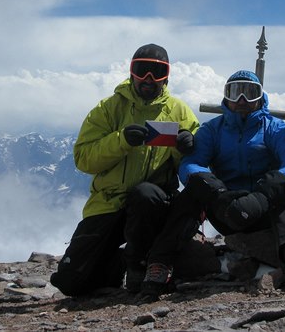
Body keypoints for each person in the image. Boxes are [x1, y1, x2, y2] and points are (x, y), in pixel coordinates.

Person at [140, 70, 285, 300]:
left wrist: (262, 197)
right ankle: (161, 262)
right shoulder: (212, 130)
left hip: (265, 209)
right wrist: (216, 194)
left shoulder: (276, 128)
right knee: (192, 193)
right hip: (226, 208)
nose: (242, 100)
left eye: (250, 93)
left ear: (261, 98)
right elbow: (192, 163)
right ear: (226, 97)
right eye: (235, 92)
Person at [50, 44, 200, 296]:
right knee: (71, 283)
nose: (149, 79)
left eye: (157, 72)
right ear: (131, 72)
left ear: (167, 76)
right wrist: (121, 141)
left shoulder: (178, 111)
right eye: (142, 70)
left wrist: (184, 147)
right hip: (109, 204)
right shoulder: (108, 109)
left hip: (152, 206)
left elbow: (191, 164)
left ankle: (139, 265)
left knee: (144, 194)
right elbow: (84, 160)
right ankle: (116, 262)